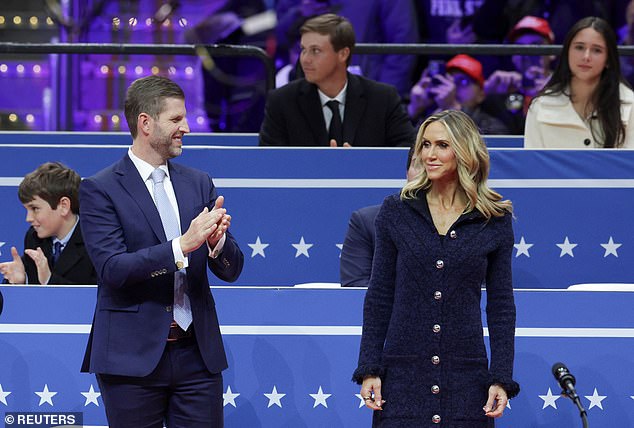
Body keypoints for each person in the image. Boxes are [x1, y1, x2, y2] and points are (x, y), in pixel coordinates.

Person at [79, 75, 244, 427]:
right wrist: (181, 246)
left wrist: (216, 244)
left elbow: (232, 269)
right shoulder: (100, 189)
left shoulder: (198, 182)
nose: (185, 127)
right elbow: (112, 268)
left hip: (198, 357)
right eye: (175, 119)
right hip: (131, 360)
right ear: (145, 123)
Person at [353, 110, 519, 427]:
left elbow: (501, 307)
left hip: (467, 379)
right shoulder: (396, 211)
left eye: (442, 145)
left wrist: (500, 376)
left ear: (465, 151)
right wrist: (370, 367)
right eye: (425, 144)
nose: (430, 154)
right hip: (402, 376)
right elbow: (379, 296)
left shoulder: (493, 220)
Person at [259, 13, 415, 147]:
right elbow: (270, 162)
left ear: (343, 54)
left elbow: (408, 152)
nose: (305, 59)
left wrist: (361, 163)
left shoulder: (383, 99)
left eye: (315, 51)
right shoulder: (282, 101)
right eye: (303, 50)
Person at [525, 16, 634, 148]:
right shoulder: (540, 106)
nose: (586, 57)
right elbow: (533, 165)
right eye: (579, 47)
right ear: (567, 52)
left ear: (608, 60)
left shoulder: (630, 105)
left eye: (596, 50)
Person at [0, 162, 97, 286]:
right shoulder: (33, 238)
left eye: (35, 209)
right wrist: (22, 281)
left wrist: (49, 280)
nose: (28, 218)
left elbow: (98, 296)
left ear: (64, 206)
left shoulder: (96, 241)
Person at [340, 144, 421, 287]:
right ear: (407, 172)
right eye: (418, 164)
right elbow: (356, 289)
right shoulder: (367, 221)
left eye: (433, 164)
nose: (424, 173)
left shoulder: (468, 221)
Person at [483, 16, 555, 134]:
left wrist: (554, 94)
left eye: (535, 46)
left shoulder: (567, 88)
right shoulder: (501, 91)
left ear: (552, 53)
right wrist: (484, 92)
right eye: (520, 46)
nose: (527, 53)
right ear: (513, 57)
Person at [409, 54, 510, 134]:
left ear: (481, 94)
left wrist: (452, 107)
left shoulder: (491, 124)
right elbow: (405, 147)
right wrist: (414, 110)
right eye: (448, 79)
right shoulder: (427, 117)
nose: (452, 86)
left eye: (463, 81)